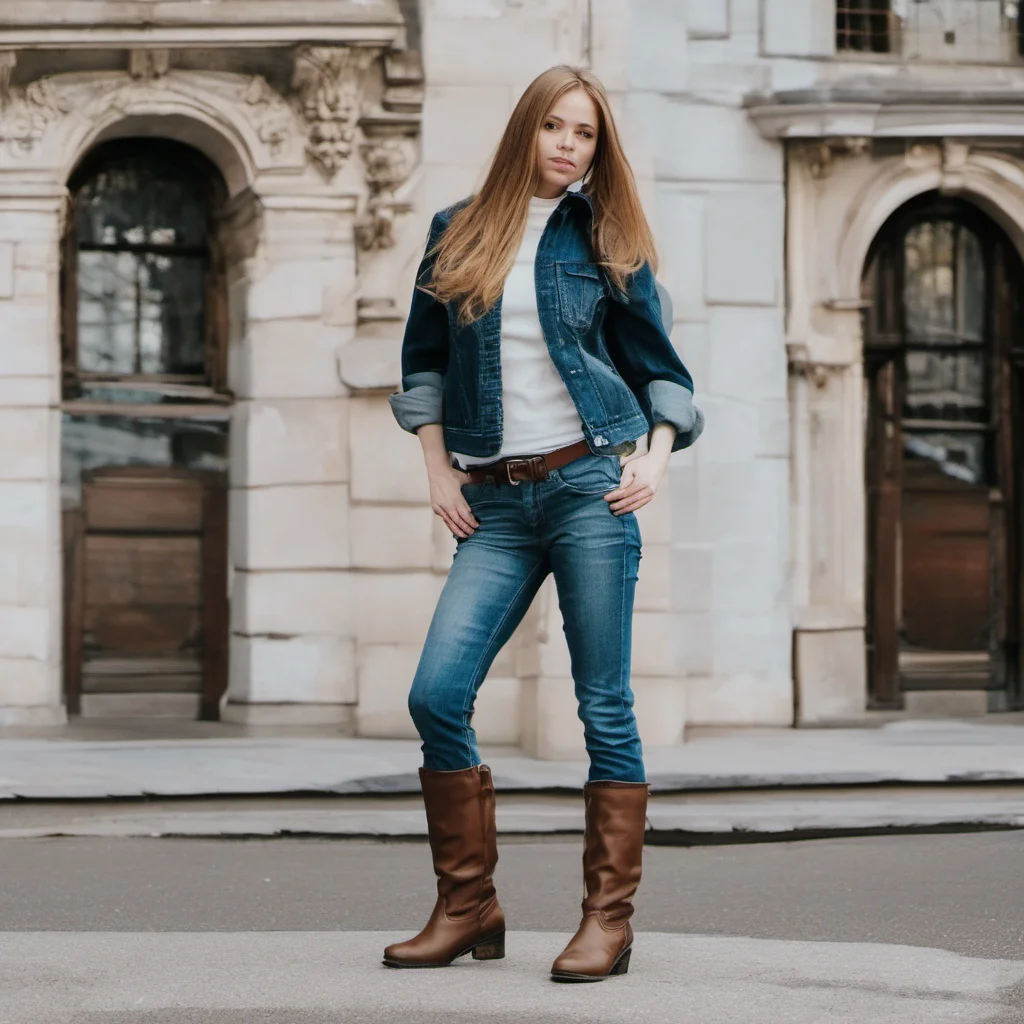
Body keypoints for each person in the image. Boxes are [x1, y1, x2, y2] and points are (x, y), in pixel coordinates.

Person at [382, 65, 704, 982]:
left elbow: (660, 367)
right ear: (526, 129)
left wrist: (655, 453)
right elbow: (424, 363)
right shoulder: (458, 230)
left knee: (602, 702)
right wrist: (438, 466)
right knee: (436, 694)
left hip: (588, 488)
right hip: (493, 501)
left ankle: (608, 920)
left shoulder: (606, 235)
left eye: (587, 134)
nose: (569, 145)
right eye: (555, 127)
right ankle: (469, 905)